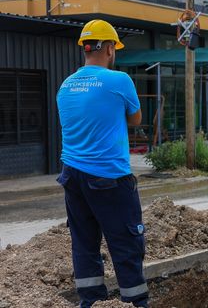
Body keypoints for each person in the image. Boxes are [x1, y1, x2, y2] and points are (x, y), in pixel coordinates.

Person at [56, 19, 147, 307]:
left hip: (72, 175)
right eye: (114, 47)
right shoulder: (119, 81)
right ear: (109, 48)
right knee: (126, 243)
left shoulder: (65, 85)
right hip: (109, 177)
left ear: (85, 48)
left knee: (84, 244)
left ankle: (91, 302)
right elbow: (135, 120)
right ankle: (135, 303)